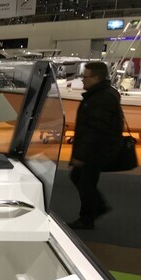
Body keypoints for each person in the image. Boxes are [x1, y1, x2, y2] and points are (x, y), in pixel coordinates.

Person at [68, 61, 123, 230]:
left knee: (85, 182)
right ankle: (94, 211)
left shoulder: (101, 98)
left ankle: (88, 217)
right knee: (81, 179)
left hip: (95, 150)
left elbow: (95, 129)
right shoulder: (102, 94)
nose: (82, 80)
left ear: (96, 78)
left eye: (85, 77)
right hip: (97, 148)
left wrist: (80, 155)